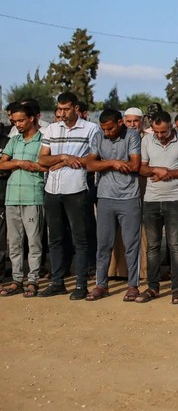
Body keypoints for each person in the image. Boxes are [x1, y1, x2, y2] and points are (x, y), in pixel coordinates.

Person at [38, 92, 99, 299]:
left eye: (66, 109)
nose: (62, 113)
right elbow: (42, 160)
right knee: (55, 238)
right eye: (59, 109)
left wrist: (62, 162)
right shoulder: (51, 129)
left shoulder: (91, 129)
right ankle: (57, 282)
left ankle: (81, 285)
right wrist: (64, 157)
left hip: (76, 189)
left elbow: (92, 160)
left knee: (79, 239)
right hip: (52, 190)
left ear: (75, 108)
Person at [85, 108, 142, 301]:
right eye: (104, 129)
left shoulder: (132, 135)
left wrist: (105, 162)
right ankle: (101, 285)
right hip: (105, 197)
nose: (107, 133)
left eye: (110, 129)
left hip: (129, 197)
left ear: (120, 123)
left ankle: (133, 285)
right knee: (103, 244)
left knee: (131, 245)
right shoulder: (98, 136)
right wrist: (113, 163)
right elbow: (90, 164)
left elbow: (134, 165)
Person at [138, 111, 178, 304]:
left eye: (163, 131)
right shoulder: (146, 140)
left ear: (171, 126)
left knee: (175, 245)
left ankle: (177, 289)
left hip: (174, 199)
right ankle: (153, 287)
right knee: (152, 246)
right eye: (156, 131)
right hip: (151, 199)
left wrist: (170, 174)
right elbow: (142, 168)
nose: (159, 136)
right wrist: (155, 170)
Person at [0, 102, 46, 297]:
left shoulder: (44, 140)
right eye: (14, 121)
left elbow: (44, 166)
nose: (17, 124)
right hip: (12, 197)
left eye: (21, 120)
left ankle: (33, 279)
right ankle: (17, 280)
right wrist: (20, 163)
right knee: (14, 242)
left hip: (33, 196)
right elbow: (2, 164)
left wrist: (16, 164)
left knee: (34, 241)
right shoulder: (14, 141)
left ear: (32, 118)